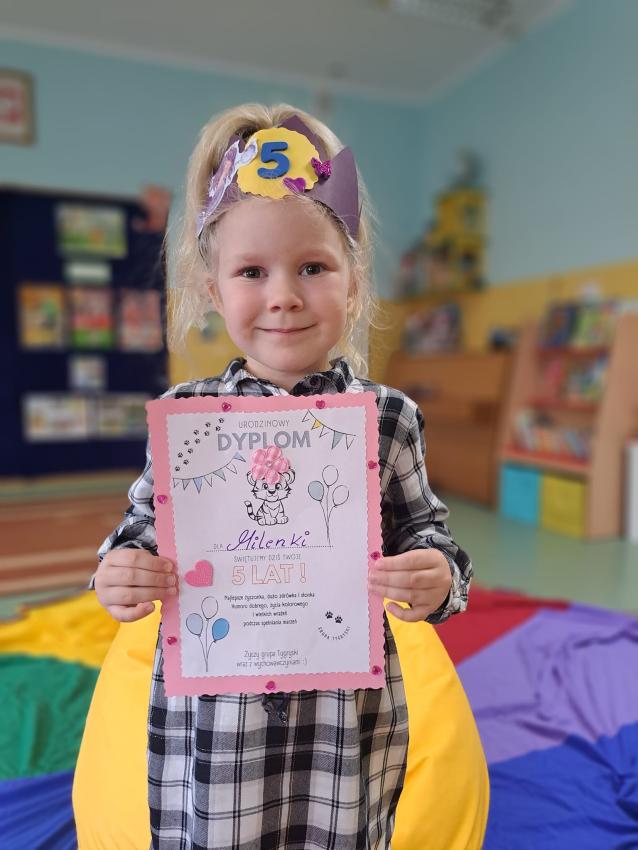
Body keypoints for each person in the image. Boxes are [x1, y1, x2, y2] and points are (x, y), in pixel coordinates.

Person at [93, 103, 473, 850]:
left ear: (353, 282)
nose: (284, 296)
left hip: (342, 721)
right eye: (251, 272)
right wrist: (121, 569)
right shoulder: (189, 418)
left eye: (312, 268)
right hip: (220, 719)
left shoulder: (387, 417)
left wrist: (437, 576)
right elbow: (140, 529)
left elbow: (430, 533)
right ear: (213, 289)